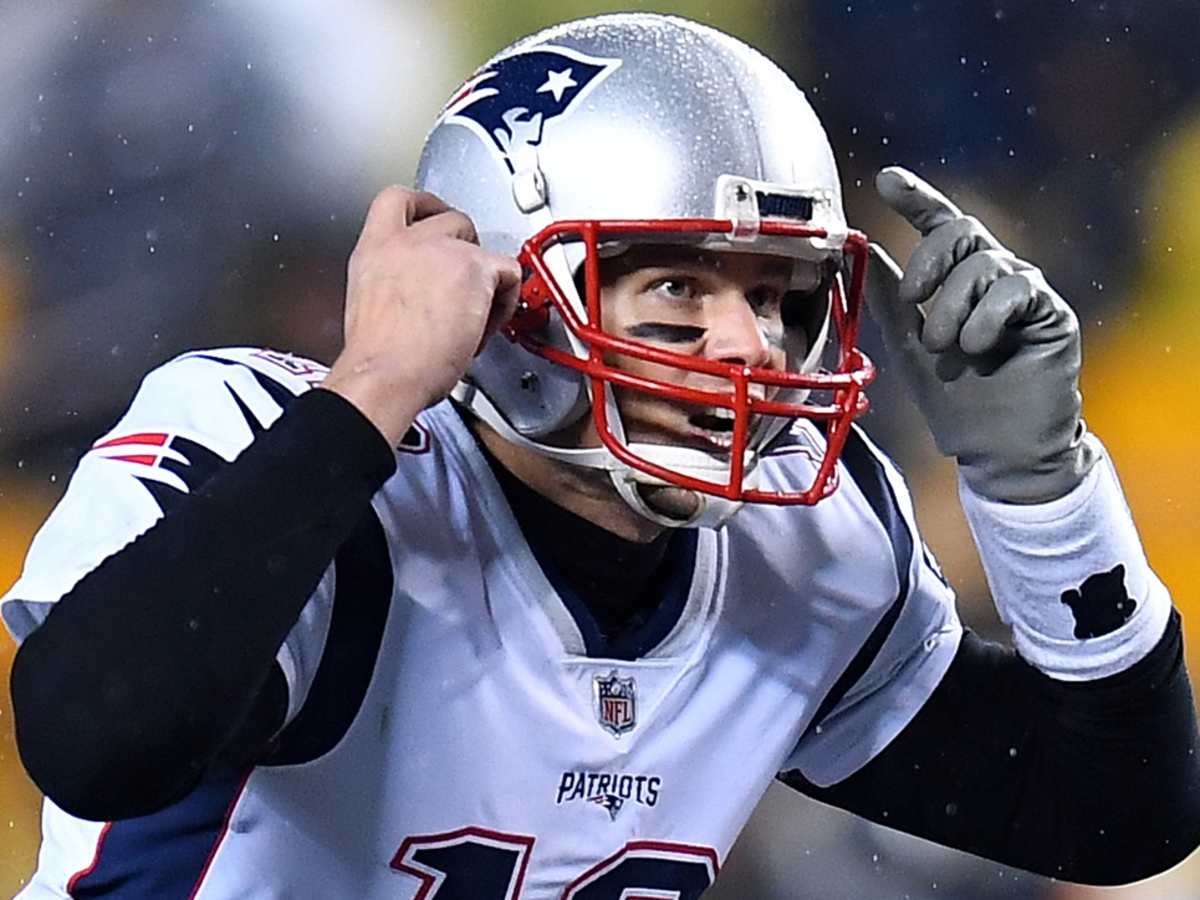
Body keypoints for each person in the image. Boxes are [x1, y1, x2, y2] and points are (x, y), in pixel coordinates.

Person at [3, 12, 1198, 898]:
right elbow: (96, 739)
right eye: (679, 283)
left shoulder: (806, 533)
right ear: (498, 286)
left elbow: (1118, 817)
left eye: (780, 295)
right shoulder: (276, 440)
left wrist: (1041, 492)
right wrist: (370, 390)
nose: (746, 345)